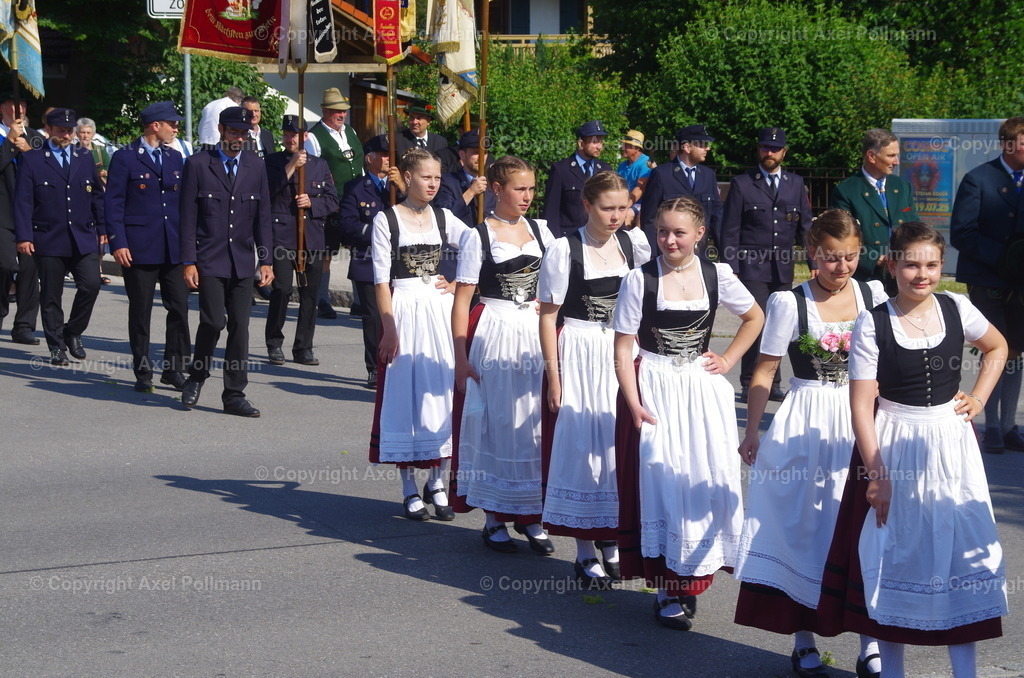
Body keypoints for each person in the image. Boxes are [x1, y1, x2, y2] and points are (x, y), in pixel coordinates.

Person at [818, 222, 1008, 678]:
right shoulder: (873, 321)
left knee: (962, 551)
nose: (921, 275)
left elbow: (997, 346)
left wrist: (978, 398)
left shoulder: (957, 307)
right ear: (892, 264)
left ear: (942, 266)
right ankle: (893, 672)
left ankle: (966, 673)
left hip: (950, 444)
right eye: (911, 264)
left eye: (931, 265)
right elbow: (861, 404)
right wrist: (877, 475)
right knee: (896, 556)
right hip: (895, 441)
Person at [733, 209, 887, 678]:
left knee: (861, 528)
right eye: (831, 258)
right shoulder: (787, 303)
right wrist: (753, 431)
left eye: (851, 257)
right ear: (813, 255)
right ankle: (802, 638)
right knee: (802, 527)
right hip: (805, 420)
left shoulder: (873, 294)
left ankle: (870, 639)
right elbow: (764, 371)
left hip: (861, 420)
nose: (842, 268)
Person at [613, 196, 763, 631]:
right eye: (662, 231)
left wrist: (730, 358)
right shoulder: (639, 280)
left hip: (700, 388)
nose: (669, 240)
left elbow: (754, 317)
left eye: (679, 232)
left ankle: (690, 575)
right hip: (656, 384)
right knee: (663, 481)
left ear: (699, 234)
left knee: (703, 478)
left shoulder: (717, 274)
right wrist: (633, 401)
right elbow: (623, 347)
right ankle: (665, 587)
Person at [538, 171, 651, 587]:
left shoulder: (633, 244)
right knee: (583, 446)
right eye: (608, 208)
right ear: (586, 205)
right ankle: (584, 549)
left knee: (616, 446)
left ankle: (612, 539)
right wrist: (554, 376)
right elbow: (548, 316)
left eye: (623, 208)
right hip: (581, 351)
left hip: (623, 351)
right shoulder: (563, 250)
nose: (617, 216)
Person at [450, 155, 558, 554]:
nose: (528, 196)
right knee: (498, 420)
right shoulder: (477, 236)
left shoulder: (543, 232)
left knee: (532, 422)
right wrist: (460, 357)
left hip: (534, 329)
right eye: (519, 188)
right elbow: (462, 301)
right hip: (495, 329)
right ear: (497, 189)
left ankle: (531, 514)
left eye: (531, 188)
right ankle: (494, 516)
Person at [369, 147, 470, 521]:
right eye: (426, 177)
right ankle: (409, 487)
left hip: (439, 310)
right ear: (408, 178)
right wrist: (389, 327)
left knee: (442, 392)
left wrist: (458, 281)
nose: (433, 184)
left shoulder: (444, 218)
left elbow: (481, 247)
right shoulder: (387, 219)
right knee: (406, 397)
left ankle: (439, 481)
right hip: (405, 309)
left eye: (438, 178)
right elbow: (381, 280)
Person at [178, 106, 273, 417]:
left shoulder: (255, 166)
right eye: (233, 132)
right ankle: (197, 375)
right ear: (220, 129)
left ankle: (234, 394)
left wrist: (267, 260)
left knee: (240, 327)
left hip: (243, 261)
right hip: (210, 259)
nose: (238, 139)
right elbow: (188, 218)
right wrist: (189, 261)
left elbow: (263, 217)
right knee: (213, 322)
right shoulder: (198, 164)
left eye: (243, 134)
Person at [720, 127, 813, 401]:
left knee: (780, 322)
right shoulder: (743, 183)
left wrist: (813, 259)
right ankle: (750, 381)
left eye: (774, 149)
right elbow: (730, 228)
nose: (769, 153)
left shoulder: (796, 184)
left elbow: (805, 226)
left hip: (781, 267)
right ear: (758, 150)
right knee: (756, 322)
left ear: (784, 152)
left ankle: (772, 382)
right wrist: (731, 265)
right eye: (764, 148)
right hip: (750, 266)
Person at [104, 101, 191, 393]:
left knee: (179, 308)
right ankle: (142, 371)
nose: (176, 128)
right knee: (140, 311)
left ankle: (174, 368)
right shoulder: (125, 158)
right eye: (172, 123)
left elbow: (182, 205)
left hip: (173, 247)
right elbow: (113, 203)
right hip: (139, 247)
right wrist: (118, 242)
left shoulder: (176, 157)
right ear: (156, 126)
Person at [949, 116, 1024, 454]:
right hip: (988, 280)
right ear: (1009, 144)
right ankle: (990, 425)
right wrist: (1006, 257)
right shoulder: (978, 179)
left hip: (1020, 286)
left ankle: (1009, 426)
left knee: (1017, 354)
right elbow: (963, 233)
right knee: (996, 348)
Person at [13, 108, 105, 365]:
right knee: (51, 295)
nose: (66, 135)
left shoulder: (84, 156)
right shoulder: (33, 159)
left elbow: (97, 194)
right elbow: (23, 202)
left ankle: (72, 331)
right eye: (61, 130)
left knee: (91, 285)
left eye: (69, 130)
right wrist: (24, 236)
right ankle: (56, 346)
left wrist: (105, 229)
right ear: (49, 130)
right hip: (48, 237)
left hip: (82, 235)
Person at [264, 114, 339, 367]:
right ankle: (274, 342)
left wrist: (312, 203)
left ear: (305, 136)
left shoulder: (320, 165)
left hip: (312, 238)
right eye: (285, 135)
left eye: (294, 134)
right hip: (283, 236)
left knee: (310, 294)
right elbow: (267, 193)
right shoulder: (272, 161)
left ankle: (303, 347)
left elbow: (332, 200)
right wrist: (292, 166)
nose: (289, 139)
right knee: (282, 289)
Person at [339, 134, 405, 389]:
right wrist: (375, 232)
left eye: (392, 154)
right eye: (384, 154)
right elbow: (346, 224)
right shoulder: (356, 187)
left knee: (399, 315)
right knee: (374, 318)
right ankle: (375, 368)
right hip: (368, 261)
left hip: (399, 263)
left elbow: (419, 210)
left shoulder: (400, 186)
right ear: (370, 158)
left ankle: (399, 365)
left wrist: (401, 188)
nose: (390, 159)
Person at [830, 129, 919, 293]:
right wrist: (876, 258)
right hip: (867, 276)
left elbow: (914, 226)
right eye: (891, 156)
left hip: (900, 275)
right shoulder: (847, 190)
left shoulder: (902, 186)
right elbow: (842, 236)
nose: (897, 161)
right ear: (871, 156)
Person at [305, 87, 362, 320]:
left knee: (360, 250)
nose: (342, 115)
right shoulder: (314, 137)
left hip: (356, 202)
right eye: (337, 111)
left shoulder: (351, 131)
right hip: (331, 203)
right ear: (325, 111)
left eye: (344, 111)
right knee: (327, 253)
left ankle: (359, 300)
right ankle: (322, 299)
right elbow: (313, 171)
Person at [0, 90, 44, 345]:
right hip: (3, 213)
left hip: (30, 215)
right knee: (5, 265)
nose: (21, 109)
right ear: (3, 107)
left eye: (24, 105)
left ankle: (25, 326)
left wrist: (27, 150)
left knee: (30, 271)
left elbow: (44, 173)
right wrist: (8, 142)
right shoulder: (4, 137)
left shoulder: (36, 138)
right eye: (14, 104)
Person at [640, 124, 721, 247]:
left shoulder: (708, 175)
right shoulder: (662, 175)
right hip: (669, 250)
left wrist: (723, 250)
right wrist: (653, 253)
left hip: (699, 253)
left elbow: (716, 215)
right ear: (687, 147)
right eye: (702, 144)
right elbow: (649, 218)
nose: (707, 148)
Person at [543, 120, 612, 237]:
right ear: (581, 143)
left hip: (598, 237)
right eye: (595, 141)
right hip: (570, 238)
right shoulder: (561, 170)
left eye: (601, 141)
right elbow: (551, 211)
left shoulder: (605, 169)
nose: (599, 146)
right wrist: (553, 242)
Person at [434, 128, 494, 236]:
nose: (481, 157)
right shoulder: (447, 181)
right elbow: (444, 217)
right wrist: (470, 192)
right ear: (462, 155)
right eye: (476, 152)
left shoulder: (493, 183)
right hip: (459, 247)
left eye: (484, 153)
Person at [393, 102, 453, 171]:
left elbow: (444, 168)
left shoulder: (440, 142)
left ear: (428, 121)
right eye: (411, 117)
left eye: (419, 118)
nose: (414, 122)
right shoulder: (398, 140)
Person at [615, 129, 651, 227]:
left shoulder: (646, 163)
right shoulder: (622, 166)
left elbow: (640, 188)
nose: (623, 148)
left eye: (626, 146)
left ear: (637, 148)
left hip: (642, 204)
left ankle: (627, 241)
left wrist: (625, 206)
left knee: (626, 215)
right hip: (624, 203)